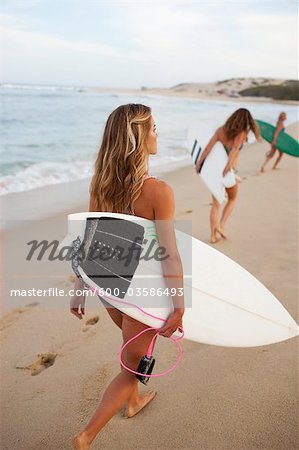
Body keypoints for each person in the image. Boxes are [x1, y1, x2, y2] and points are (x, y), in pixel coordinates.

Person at [70, 104, 185, 450]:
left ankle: (132, 403)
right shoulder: (158, 192)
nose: (157, 134)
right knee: (132, 366)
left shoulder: (101, 185)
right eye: (152, 128)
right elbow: (169, 255)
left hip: (108, 282)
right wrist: (179, 306)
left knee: (132, 349)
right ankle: (85, 437)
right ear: (138, 138)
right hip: (141, 290)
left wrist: (80, 288)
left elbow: (89, 243)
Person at [195, 108, 260, 244]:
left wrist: (199, 163)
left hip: (214, 172)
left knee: (216, 203)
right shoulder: (241, 133)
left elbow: (208, 148)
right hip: (229, 172)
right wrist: (228, 168)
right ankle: (221, 226)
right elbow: (234, 149)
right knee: (232, 199)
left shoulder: (221, 130)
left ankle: (213, 235)